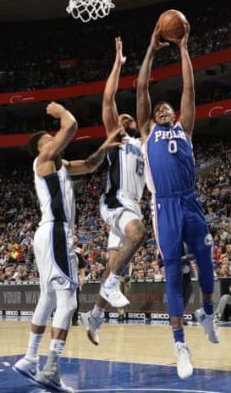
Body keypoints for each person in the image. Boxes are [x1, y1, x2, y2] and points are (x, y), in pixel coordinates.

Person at [12, 102, 121, 391]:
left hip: (48, 233)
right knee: (68, 301)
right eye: (49, 138)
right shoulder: (45, 157)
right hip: (56, 231)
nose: (54, 138)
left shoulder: (60, 165)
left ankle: (29, 358)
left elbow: (90, 165)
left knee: (47, 299)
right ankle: (50, 368)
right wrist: (60, 111)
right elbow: (70, 125)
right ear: (41, 148)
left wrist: (109, 143)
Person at [136, 21, 219, 379]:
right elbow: (141, 87)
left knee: (207, 263)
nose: (164, 111)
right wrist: (152, 50)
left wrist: (183, 47)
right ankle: (180, 345)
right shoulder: (147, 132)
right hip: (164, 205)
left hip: (189, 201)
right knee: (172, 275)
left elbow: (190, 88)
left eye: (167, 109)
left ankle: (209, 314)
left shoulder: (185, 130)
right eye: (159, 110)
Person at [80, 37, 147, 346]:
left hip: (132, 204)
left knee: (111, 266)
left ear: (133, 122)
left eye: (125, 118)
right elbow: (108, 101)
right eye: (118, 119)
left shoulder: (144, 144)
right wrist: (117, 64)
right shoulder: (117, 140)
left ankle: (95, 315)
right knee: (138, 235)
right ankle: (112, 285)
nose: (121, 118)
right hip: (117, 201)